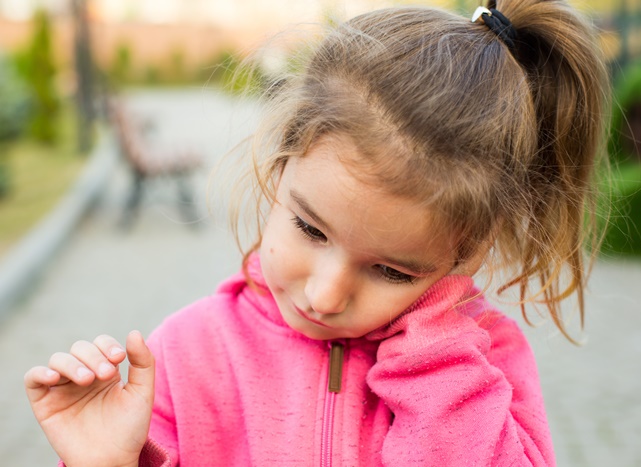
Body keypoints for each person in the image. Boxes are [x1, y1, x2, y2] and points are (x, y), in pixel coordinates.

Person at [24, 1, 609, 465]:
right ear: (279, 167)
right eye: (309, 227)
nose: (326, 295)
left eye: (393, 270)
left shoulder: (483, 362)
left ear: (468, 253)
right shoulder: (188, 352)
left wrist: (436, 353)